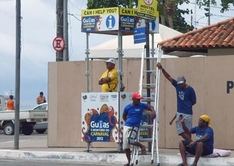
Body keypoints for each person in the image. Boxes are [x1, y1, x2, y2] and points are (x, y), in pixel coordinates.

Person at [156, 63, 196, 141]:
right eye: (179, 84)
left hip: (187, 112)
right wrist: (162, 69)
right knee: (180, 130)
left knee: (187, 130)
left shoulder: (190, 89)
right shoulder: (177, 86)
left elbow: (194, 101)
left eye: (182, 83)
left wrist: (187, 105)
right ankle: (192, 143)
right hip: (180, 112)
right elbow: (169, 77)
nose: (181, 85)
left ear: (185, 81)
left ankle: (190, 147)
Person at [122, 92, 156, 166]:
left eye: (139, 99)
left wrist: (153, 111)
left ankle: (142, 146)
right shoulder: (127, 107)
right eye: (137, 99)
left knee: (130, 140)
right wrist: (128, 121)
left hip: (135, 126)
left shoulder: (141, 105)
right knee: (125, 145)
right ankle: (129, 161)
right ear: (133, 99)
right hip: (127, 126)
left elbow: (150, 107)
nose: (139, 101)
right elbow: (124, 116)